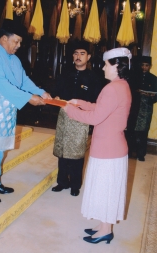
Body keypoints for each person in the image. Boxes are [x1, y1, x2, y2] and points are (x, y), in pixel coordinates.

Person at [0, 19, 51, 204]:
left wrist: (40, 91)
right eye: (16, 41)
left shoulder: (13, 59)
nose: (19, 45)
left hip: (4, 111)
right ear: (4, 38)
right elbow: (2, 85)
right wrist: (29, 98)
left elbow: (23, 80)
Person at [64, 48, 132, 244]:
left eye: (106, 64)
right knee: (105, 188)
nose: (102, 68)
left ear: (117, 66)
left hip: (108, 149)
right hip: (111, 146)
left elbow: (95, 117)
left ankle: (106, 231)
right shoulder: (121, 85)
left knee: (106, 189)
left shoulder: (112, 88)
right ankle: (103, 226)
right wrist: (80, 102)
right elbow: (102, 109)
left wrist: (70, 110)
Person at [52, 40, 102, 197]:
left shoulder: (94, 78)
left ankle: (75, 184)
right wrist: (57, 97)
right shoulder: (64, 73)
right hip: (64, 115)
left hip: (81, 117)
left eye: (82, 53)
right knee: (62, 149)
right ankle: (62, 182)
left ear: (88, 57)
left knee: (77, 151)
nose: (78, 56)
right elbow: (56, 92)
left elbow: (96, 101)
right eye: (75, 53)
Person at [133, 56, 157, 161]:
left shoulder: (154, 78)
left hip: (147, 108)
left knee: (144, 131)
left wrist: (149, 97)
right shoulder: (135, 77)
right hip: (136, 107)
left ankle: (141, 154)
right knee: (133, 129)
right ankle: (131, 151)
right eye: (142, 65)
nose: (144, 67)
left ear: (150, 66)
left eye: (146, 65)